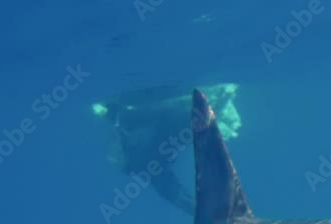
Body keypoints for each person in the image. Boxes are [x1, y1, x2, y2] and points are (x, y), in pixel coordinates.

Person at [92, 83, 241, 214]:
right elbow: (172, 191)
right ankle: (220, 102)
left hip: (170, 117)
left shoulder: (130, 134)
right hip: (174, 119)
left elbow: (172, 191)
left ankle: (219, 103)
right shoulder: (143, 160)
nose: (110, 155)